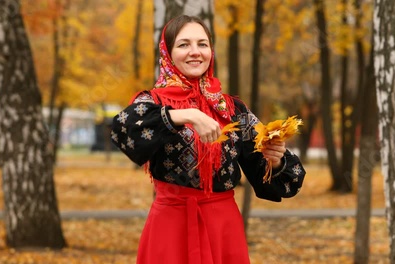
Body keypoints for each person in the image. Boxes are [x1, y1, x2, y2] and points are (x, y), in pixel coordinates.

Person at [111, 15, 306, 264]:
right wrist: (186, 115)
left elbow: (267, 172)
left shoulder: (232, 108)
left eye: (202, 44)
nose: (195, 52)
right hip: (171, 226)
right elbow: (122, 129)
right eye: (184, 44)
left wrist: (275, 161)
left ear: (211, 51)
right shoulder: (152, 102)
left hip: (222, 227)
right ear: (167, 52)